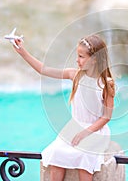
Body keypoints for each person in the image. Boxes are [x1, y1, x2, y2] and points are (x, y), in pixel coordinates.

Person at [13, 34, 115, 181]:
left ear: (94, 60)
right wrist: (23, 52)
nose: (76, 60)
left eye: (81, 56)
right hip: (74, 127)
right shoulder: (74, 75)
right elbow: (43, 70)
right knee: (57, 155)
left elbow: (106, 117)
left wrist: (85, 133)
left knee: (84, 159)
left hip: (95, 130)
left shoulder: (106, 84)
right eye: (77, 55)